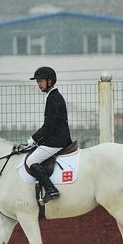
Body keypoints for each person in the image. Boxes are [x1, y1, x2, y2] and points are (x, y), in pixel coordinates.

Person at [24, 66, 72, 202]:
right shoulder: (53, 96)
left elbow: (48, 126)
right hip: (55, 139)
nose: (38, 84)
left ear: (49, 81)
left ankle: (51, 190)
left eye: (40, 81)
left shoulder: (54, 98)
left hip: (57, 141)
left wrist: (33, 139)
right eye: (37, 82)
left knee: (31, 160)